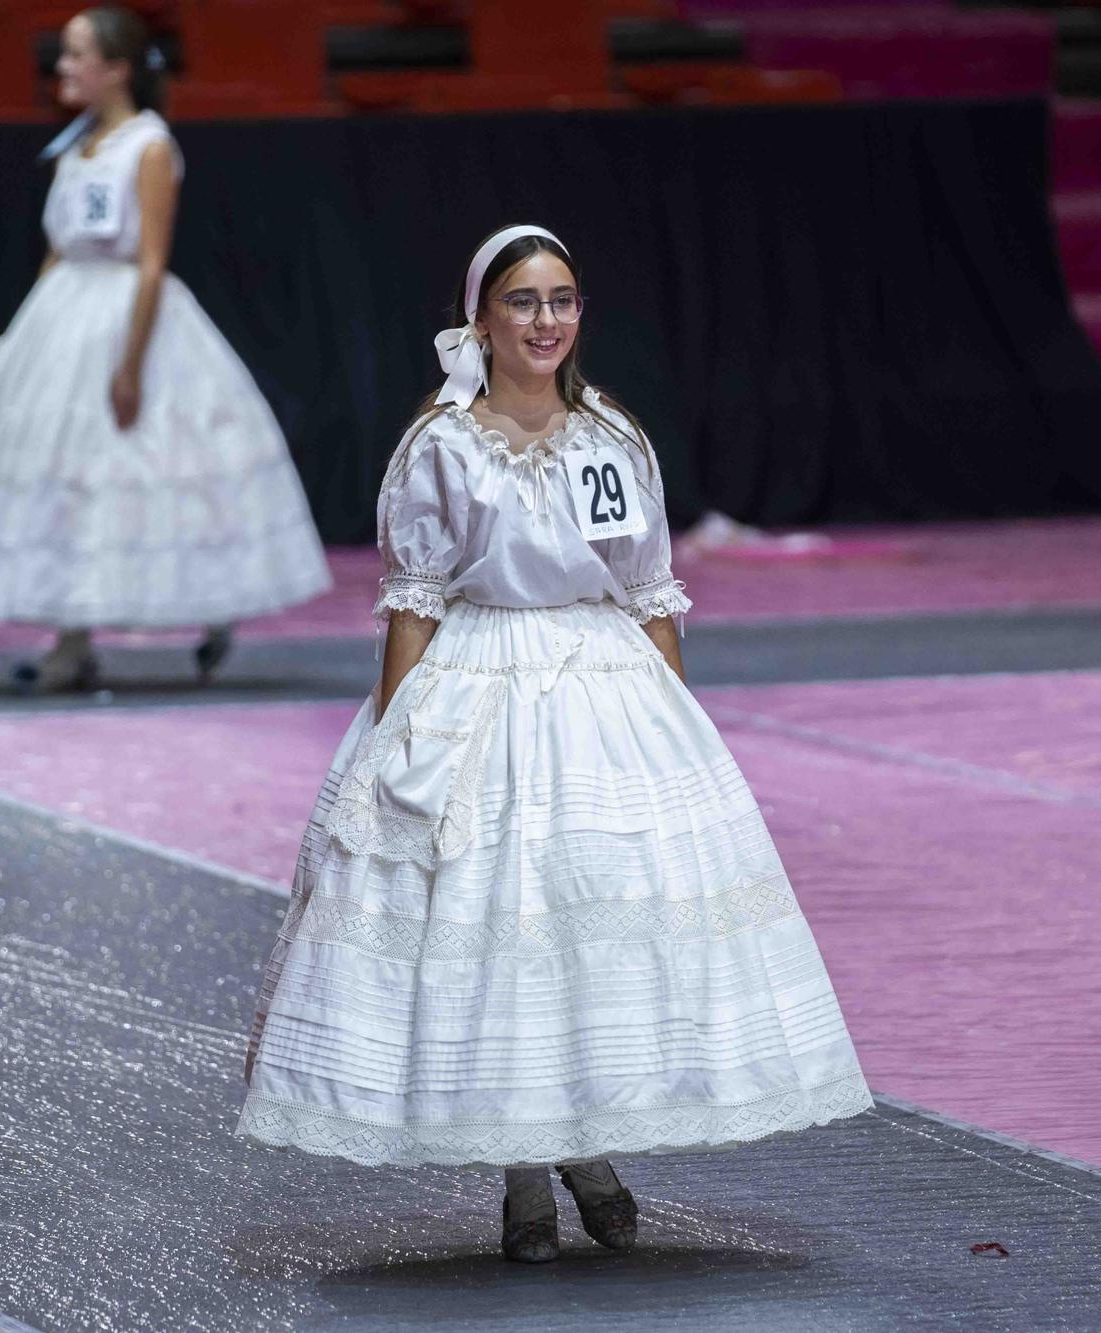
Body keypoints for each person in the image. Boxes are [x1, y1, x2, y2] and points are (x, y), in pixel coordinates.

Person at [237, 225, 871, 1262]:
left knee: (591, 933)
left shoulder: (608, 437)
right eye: (524, 301)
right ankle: (526, 1174)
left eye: (562, 300)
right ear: (479, 318)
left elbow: (648, 587)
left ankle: (592, 1153)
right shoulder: (441, 443)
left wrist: (674, 729)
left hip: (600, 694)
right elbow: (414, 598)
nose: (545, 321)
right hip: (479, 691)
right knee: (495, 931)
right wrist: (398, 742)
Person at [0, 6, 330, 689]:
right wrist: (18, 344)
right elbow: (57, 251)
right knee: (67, 478)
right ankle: (70, 640)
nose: (64, 68)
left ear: (117, 69)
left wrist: (130, 362)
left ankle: (210, 605)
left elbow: (150, 260)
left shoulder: (150, 147)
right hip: (62, 318)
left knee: (157, 463)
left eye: (78, 55)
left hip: (125, 314)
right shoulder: (75, 148)